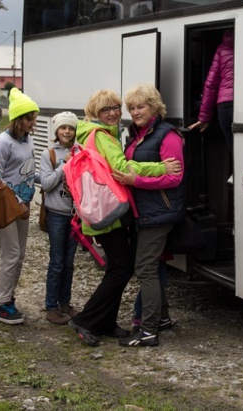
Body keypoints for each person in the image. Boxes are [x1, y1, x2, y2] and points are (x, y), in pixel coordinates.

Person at [67, 89, 182, 347]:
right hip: (109, 211)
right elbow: (121, 168)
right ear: (95, 113)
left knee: (121, 267)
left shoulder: (93, 134)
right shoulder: (102, 137)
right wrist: (161, 167)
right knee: (121, 268)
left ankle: (105, 322)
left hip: (103, 209)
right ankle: (87, 320)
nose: (113, 113)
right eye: (106, 109)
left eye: (116, 108)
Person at [113, 84, 185, 347]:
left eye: (140, 106)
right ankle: (162, 319)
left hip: (160, 212)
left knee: (144, 268)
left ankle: (148, 330)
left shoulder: (168, 136)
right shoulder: (137, 134)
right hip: (144, 211)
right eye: (131, 108)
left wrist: (136, 180)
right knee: (154, 265)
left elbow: (174, 177)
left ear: (154, 107)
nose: (135, 112)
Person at [0, 88, 40, 325]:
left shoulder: (28, 140)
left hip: (24, 205)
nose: (34, 122)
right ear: (19, 118)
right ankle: (1, 304)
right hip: (8, 207)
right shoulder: (3, 142)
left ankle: (10, 298)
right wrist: (15, 202)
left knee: (20, 255)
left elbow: (28, 172)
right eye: (30, 118)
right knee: (9, 254)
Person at [39, 111, 80, 325]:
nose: (67, 131)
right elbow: (45, 184)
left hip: (75, 215)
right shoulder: (50, 154)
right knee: (56, 262)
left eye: (71, 128)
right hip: (56, 214)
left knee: (69, 262)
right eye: (63, 128)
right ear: (57, 131)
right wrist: (64, 164)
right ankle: (51, 306)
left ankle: (65, 302)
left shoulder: (80, 151)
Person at [189, 29, 235, 152]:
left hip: (225, 105)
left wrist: (205, 117)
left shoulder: (222, 49)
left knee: (236, 152)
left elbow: (211, 85)